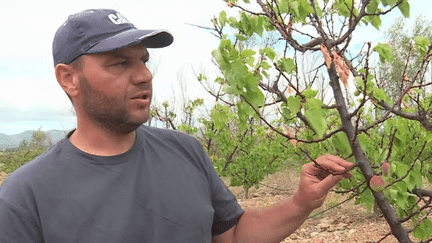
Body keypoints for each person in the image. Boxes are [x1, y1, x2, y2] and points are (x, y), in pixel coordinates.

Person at [0, 9, 353, 243]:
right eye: (119, 63)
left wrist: (301, 202)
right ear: (69, 79)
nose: (143, 75)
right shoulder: (24, 197)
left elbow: (231, 237)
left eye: (143, 60)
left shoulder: (185, 151)